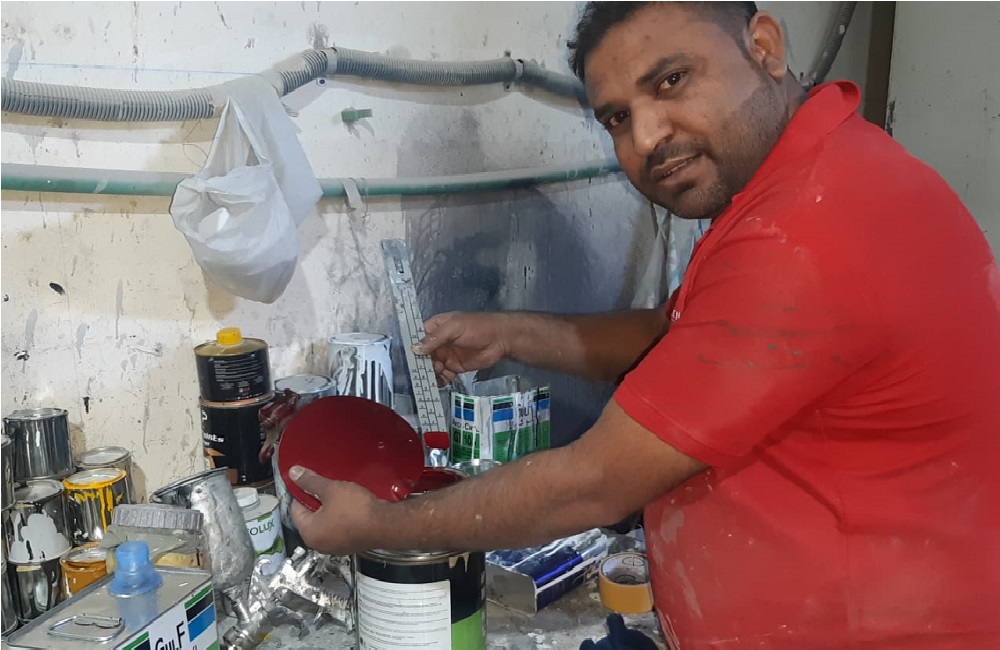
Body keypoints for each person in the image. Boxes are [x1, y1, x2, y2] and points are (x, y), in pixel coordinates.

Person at [291, 2, 1000, 648]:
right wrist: (512, 334)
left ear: (764, 46)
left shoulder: (809, 230)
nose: (649, 137)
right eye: (617, 118)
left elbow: (595, 482)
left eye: (672, 81)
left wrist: (376, 527)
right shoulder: (805, 179)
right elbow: (675, 336)